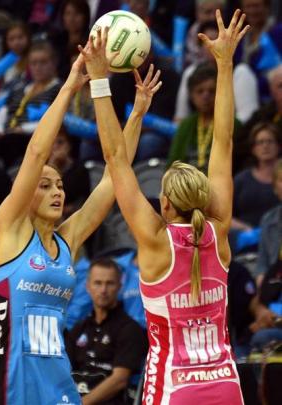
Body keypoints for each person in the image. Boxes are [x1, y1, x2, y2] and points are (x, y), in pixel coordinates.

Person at [80, 9, 248, 404]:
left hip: (174, 387)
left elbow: (115, 158)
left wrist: (100, 81)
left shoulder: (156, 241)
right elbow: (223, 142)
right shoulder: (218, 230)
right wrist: (225, 64)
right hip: (226, 384)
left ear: (165, 202)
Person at [0, 43, 162, 405]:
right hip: (15, 381)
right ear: (27, 191)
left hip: (59, 381)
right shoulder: (13, 229)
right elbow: (36, 153)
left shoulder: (68, 240)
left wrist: (137, 115)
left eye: (60, 185)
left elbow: (114, 180)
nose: (56, 191)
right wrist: (69, 86)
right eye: (45, 185)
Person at [65, 258, 147, 404]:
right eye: (98, 283)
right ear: (87, 286)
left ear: (120, 286)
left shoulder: (131, 329)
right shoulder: (78, 329)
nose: (103, 290)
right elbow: (63, 373)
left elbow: (120, 380)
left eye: (110, 283)